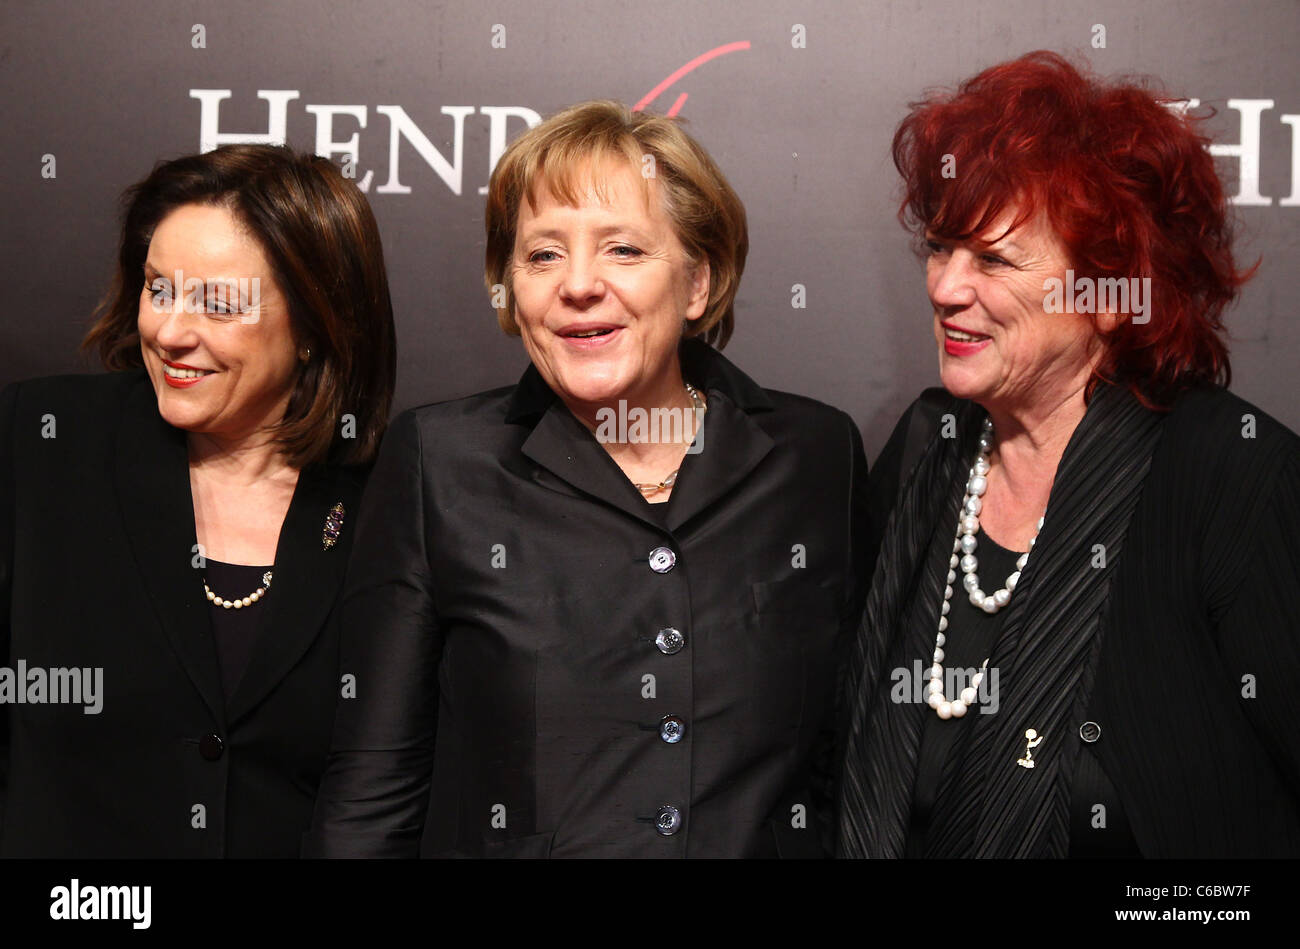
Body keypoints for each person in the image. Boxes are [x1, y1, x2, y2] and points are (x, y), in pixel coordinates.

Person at [305, 100, 868, 858]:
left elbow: (852, 765)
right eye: (541, 256)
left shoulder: (815, 456)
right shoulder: (439, 462)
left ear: (698, 282)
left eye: (623, 250)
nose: (577, 285)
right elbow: (374, 793)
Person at [838, 51, 1300, 858]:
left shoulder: (1235, 480)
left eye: (993, 259)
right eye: (942, 248)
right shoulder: (927, 452)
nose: (946, 286)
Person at [0, 144, 397, 857]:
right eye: (159, 289)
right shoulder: (38, 444)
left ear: (315, 325)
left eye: (218, 302)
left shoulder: (389, 502)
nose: (171, 332)